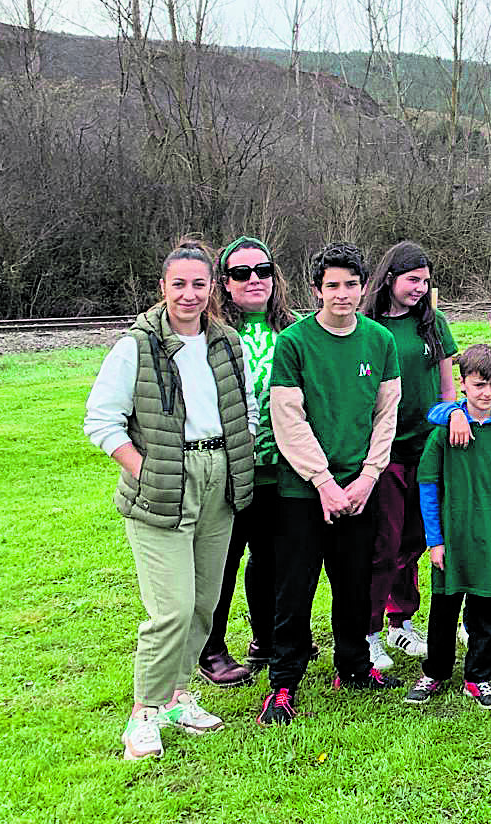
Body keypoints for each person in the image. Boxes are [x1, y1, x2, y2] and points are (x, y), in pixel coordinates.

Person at [83, 238, 257, 760]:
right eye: (178, 284)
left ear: (212, 289)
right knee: (172, 609)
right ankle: (144, 712)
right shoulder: (135, 347)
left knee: (204, 603)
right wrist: (147, 468)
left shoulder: (227, 343)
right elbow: (100, 421)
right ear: (162, 288)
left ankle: (180, 696)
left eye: (198, 284)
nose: (188, 294)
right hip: (162, 483)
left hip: (217, 480)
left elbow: (244, 408)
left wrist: (232, 457)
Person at [258, 242, 403, 726]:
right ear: (316, 290)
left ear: (364, 288)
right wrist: (322, 481)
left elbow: (386, 415)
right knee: (294, 590)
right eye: (332, 286)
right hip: (304, 492)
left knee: (355, 587)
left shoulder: (380, 342)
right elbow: (289, 419)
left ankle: (354, 667)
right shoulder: (295, 343)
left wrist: (367, 476)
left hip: (360, 488)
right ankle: (283, 684)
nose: (342, 294)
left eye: (351, 285)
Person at [403, 345, 491, 709]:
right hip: (453, 538)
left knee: (485, 612)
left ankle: (478, 676)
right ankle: (435, 671)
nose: (488, 392)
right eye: (479, 384)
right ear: (462, 384)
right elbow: (428, 487)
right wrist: (435, 540)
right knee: (443, 611)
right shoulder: (444, 431)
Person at [198, 235, 294, 687]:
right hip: (228, 469)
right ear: (225, 283)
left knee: (270, 559)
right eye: (241, 273)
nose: (254, 280)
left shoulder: (293, 330)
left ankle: (266, 639)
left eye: (263, 270)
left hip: (282, 470)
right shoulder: (211, 335)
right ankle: (211, 647)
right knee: (222, 559)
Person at [361, 241, 458, 671]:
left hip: (427, 447)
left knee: (418, 539)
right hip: (384, 451)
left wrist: (451, 418)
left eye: (425, 281)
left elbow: (447, 386)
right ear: (389, 279)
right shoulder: (367, 326)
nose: (420, 288)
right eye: (412, 280)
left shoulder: (432, 324)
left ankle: (401, 619)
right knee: (384, 541)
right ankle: (368, 632)